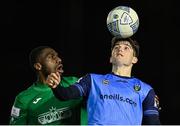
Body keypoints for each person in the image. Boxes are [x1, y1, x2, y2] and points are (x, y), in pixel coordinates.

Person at [46, 37, 161, 125]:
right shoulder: (92, 80)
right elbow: (66, 95)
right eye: (116, 47)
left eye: (126, 47)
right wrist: (56, 87)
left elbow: (153, 122)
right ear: (111, 58)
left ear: (134, 59)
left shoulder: (146, 90)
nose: (120, 48)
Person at [9, 46, 87, 125]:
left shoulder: (74, 83)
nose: (59, 60)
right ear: (38, 66)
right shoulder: (24, 99)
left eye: (57, 56)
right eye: (51, 57)